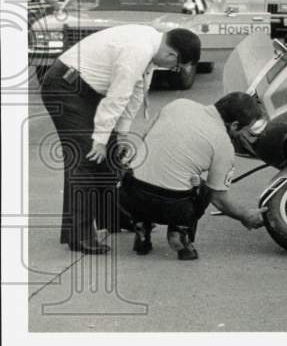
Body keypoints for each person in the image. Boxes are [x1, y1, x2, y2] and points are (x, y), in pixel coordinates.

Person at [39, 25, 201, 253]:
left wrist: (121, 134)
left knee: (112, 154)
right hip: (66, 87)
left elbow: (136, 92)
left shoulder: (152, 48)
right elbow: (118, 95)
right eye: (176, 67)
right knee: (86, 157)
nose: (172, 69)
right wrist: (100, 139)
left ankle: (113, 217)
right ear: (171, 55)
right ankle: (78, 235)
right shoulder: (138, 50)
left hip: (88, 90)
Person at [119, 93, 266, 261]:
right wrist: (246, 215)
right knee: (203, 188)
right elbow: (218, 198)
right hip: (172, 207)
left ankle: (141, 227)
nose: (246, 135)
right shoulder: (224, 145)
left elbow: (145, 137)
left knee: (144, 171)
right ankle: (179, 232)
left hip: (129, 195)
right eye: (248, 129)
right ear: (234, 125)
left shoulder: (178, 104)